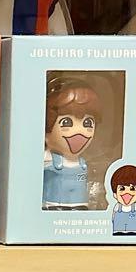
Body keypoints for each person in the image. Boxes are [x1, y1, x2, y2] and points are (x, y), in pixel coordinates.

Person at [43, 77, 99, 211]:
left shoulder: (82, 162)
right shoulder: (49, 158)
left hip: (79, 205)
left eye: (88, 123)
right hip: (54, 204)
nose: (80, 131)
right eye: (66, 122)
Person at [109, 164, 136, 236]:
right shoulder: (117, 206)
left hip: (132, 229)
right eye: (122, 188)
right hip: (118, 228)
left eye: (132, 189)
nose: (127, 192)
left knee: (132, 233)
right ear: (115, 194)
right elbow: (113, 216)